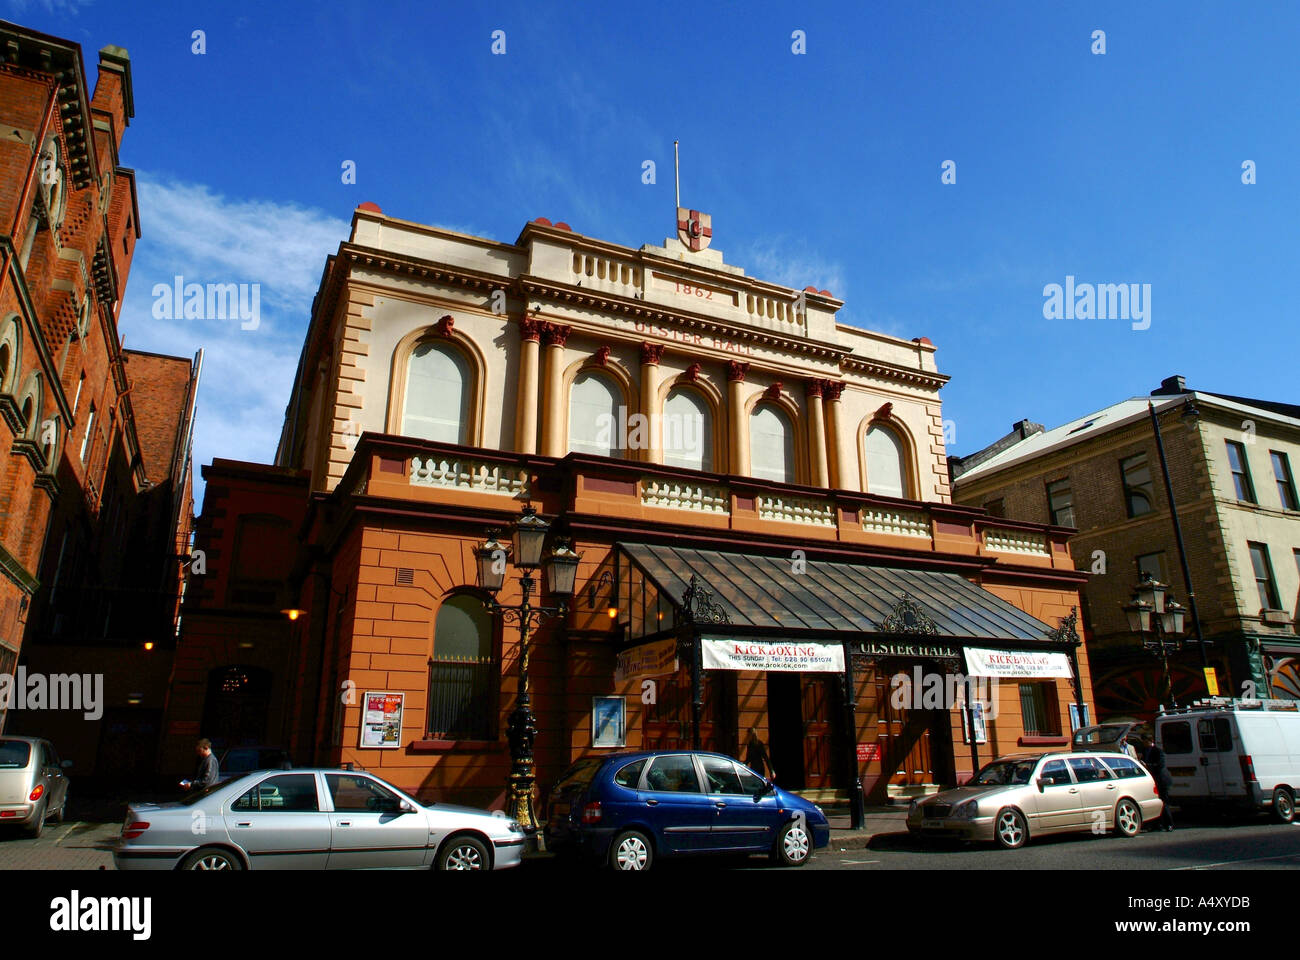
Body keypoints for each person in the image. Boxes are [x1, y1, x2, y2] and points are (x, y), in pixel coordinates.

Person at [1139, 734, 1174, 832]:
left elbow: (1160, 765)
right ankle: (1156, 824)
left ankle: (1169, 824)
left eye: (1145, 741)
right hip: (1152, 781)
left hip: (1162, 780)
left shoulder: (1158, 751)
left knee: (1163, 802)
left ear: (1150, 741)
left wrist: (1147, 765)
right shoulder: (1144, 751)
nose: (1144, 743)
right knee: (1154, 803)